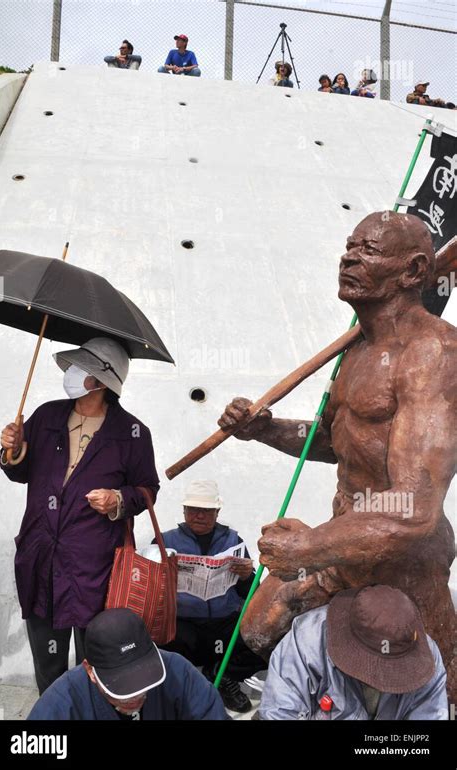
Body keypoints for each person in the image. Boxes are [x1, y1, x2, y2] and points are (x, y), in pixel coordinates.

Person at [218, 211, 457, 702]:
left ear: (413, 271)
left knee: (428, 685)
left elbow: (414, 506)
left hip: (404, 560)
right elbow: (329, 439)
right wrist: (266, 430)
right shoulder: (356, 351)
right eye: (350, 245)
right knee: (260, 630)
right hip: (347, 541)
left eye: (368, 250)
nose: (349, 256)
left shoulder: (434, 351)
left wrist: (309, 547)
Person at [0, 337, 160, 695]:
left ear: (101, 381)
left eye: (79, 368)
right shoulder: (46, 417)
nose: (70, 373)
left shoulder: (133, 433)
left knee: (97, 661)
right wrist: (11, 451)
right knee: (48, 664)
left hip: (95, 568)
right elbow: (21, 471)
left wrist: (117, 498)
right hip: (41, 559)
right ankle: (55, 714)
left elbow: (147, 490)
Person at [259, 586, 448, 720]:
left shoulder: (427, 657)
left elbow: (430, 716)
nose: (380, 682)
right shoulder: (307, 640)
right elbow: (280, 713)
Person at [158, 480, 263, 713]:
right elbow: (150, 590)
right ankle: (182, 690)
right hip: (184, 626)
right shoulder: (165, 541)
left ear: (217, 512)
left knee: (267, 640)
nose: (199, 516)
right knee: (157, 642)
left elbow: (253, 594)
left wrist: (247, 576)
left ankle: (222, 675)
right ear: (184, 511)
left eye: (206, 511)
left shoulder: (233, 541)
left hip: (224, 624)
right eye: (193, 510)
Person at [28, 609, 227, 720]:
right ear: (90, 670)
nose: (135, 696)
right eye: (121, 686)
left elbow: (212, 713)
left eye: (143, 681)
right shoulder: (62, 702)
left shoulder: (177, 671)